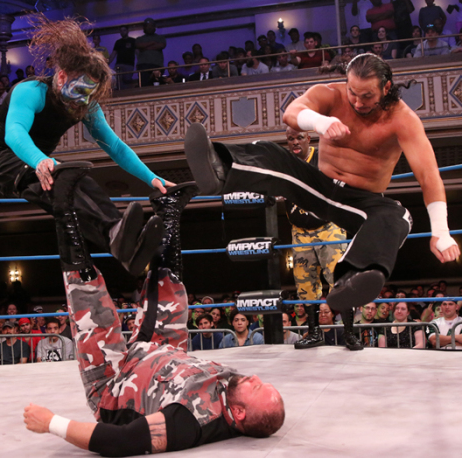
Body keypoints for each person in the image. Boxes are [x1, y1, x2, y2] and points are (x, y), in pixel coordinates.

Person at [184, 53, 459, 323]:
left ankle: (352, 278)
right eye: (353, 92)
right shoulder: (331, 95)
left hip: (359, 201)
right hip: (318, 185)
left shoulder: (403, 120)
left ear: (386, 88)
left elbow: (428, 175)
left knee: (398, 217)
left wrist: (441, 231)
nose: (358, 102)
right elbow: (291, 113)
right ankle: (219, 167)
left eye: (367, 96)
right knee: (271, 153)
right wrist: (320, 122)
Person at [23, 179, 284, 455]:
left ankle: (63, 206)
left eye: (256, 388)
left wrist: (51, 423)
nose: (254, 377)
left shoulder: (189, 422)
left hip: (115, 385)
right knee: (172, 300)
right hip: (159, 354)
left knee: (91, 303)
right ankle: (168, 210)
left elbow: (121, 441)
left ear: (239, 414)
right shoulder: (235, 387)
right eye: (262, 382)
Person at [0, 17, 171, 279]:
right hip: (3, 160)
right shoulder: (31, 91)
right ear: (61, 76)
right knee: (61, 181)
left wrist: (151, 177)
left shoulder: (85, 105)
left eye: (89, 93)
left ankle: (120, 239)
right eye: (80, 89)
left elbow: (114, 146)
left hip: (41, 163)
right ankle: (109, 239)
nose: (82, 99)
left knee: (82, 181)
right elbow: (15, 133)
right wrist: (39, 160)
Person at [281, 127, 358, 350]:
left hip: (328, 227)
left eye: (299, 138)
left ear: (308, 139)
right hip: (299, 230)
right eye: (290, 139)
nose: (295, 142)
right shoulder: (286, 163)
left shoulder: (324, 157)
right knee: (305, 285)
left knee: (339, 280)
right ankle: (314, 333)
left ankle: (350, 334)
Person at [135, 18, 166, 87]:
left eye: (151, 25)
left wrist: (145, 47)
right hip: (143, 65)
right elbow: (138, 45)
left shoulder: (160, 37)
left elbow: (162, 45)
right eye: (147, 26)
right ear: (144, 27)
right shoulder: (139, 39)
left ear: (154, 27)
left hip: (157, 64)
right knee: (144, 85)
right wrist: (152, 42)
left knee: (158, 85)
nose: (149, 27)